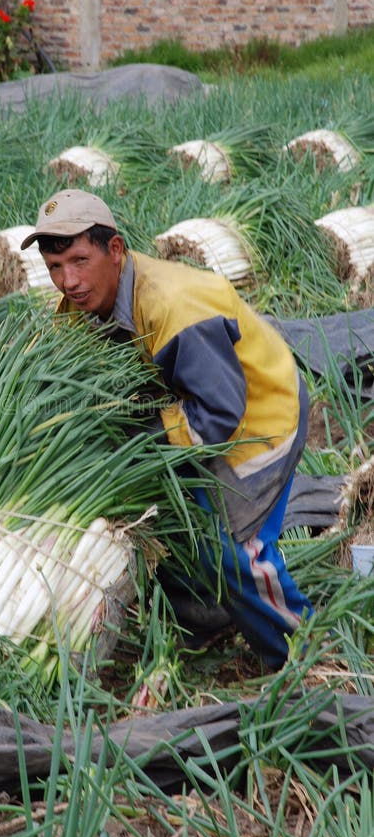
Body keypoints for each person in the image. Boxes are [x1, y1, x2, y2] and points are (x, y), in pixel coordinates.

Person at [20, 187, 314, 669]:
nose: (68, 281)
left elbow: (218, 413)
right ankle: (205, 624)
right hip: (185, 412)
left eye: (78, 260)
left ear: (114, 250)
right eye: (54, 268)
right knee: (168, 526)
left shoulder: (174, 306)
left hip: (258, 417)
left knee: (231, 548)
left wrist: (137, 444)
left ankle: (300, 652)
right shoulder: (77, 312)